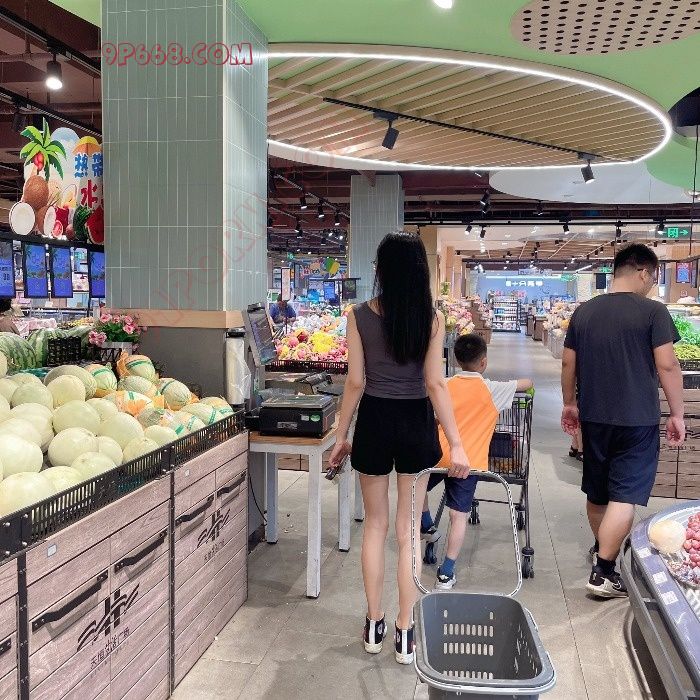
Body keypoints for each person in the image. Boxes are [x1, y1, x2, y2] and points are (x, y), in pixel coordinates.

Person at [328, 231, 469, 666]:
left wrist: (341, 434)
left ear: (381, 270)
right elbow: (435, 383)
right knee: (408, 531)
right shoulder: (432, 319)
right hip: (415, 422)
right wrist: (457, 443)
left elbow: (355, 381)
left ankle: (374, 623)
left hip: (374, 419)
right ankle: (406, 632)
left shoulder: (358, 316)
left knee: (374, 526)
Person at [561, 244, 685, 598]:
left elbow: (568, 363)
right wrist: (677, 413)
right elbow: (667, 364)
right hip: (637, 418)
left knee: (598, 491)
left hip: (594, 416)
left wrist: (570, 403)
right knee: (624, 495)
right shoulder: (653, 312)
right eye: (653, 277)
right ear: (644, 272)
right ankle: (603, 571)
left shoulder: (584, 312)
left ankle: (603, 549)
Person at [421, 333, 533, 589]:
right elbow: (526, 383)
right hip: (468, 464)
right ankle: (446, 572)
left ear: (456, 360)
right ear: (483, 362)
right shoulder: (491, 389)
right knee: (458, 516)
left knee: (418, 486)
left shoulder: (444, 385)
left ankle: (427, 525)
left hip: (438, 456)